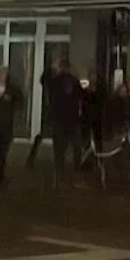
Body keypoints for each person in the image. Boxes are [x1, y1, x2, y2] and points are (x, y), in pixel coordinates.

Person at [43, 58, 83, 186]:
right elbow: (81, 96)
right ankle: (71, 173)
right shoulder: (71, 81)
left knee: (61, 149)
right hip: (67, 119)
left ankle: (62, 174)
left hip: (63, 119)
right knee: (72, 147)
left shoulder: (59, 81)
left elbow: (45, 81)